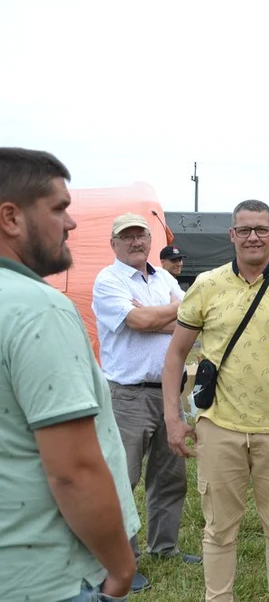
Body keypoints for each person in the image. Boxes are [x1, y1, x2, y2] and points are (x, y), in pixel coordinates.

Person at [161, 199, 269, 602]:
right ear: (232, 235)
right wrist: (173, 419)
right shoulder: (206, 285)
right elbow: (175, 354)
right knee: (218, 529)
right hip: (219, 427)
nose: (253, 237)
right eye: (245, 229)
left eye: (262, 229)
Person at [0, 147, 140, 602]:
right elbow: (74, 470)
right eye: (59, 208)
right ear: (11, 217)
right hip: (47, 577)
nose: (72, 223)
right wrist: (120, 568)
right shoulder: (38, 309)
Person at [91, 214, 200, 594]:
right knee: (123, 481)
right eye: (127, 237)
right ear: (114, 243)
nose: (135, 242)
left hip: (169, 392)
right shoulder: (109, 280)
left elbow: (192, 321)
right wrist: (166, 314)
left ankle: (164, 547)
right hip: (128, 394)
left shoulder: (163, 277)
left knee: (170, 476)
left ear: (150, 240)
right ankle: (121, 563)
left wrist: (155, 317)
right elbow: (139, 321)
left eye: (141, 236)